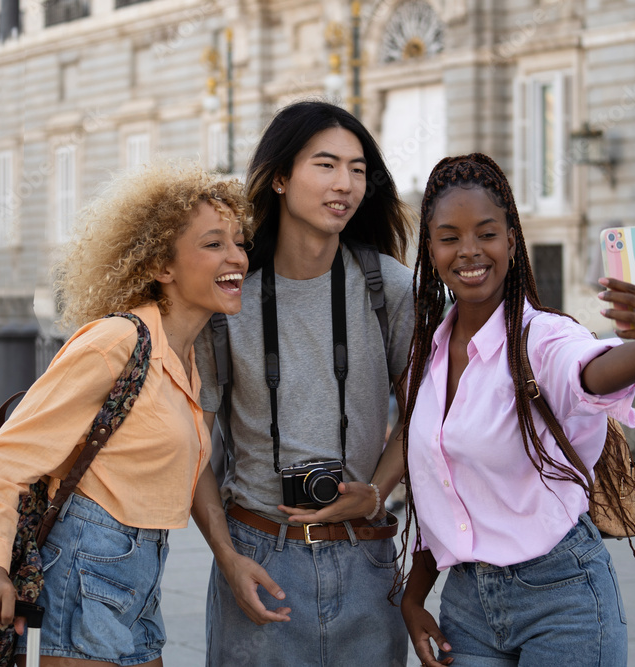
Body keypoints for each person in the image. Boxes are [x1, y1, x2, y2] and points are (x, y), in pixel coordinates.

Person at [0, 163, 251, 666]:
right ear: (163, 265)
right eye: (214, 244)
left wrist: (227, 555)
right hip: (81, 574)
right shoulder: (116, 342)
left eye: (240, 241)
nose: (237, 258)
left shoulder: (183, 356)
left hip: (136, 578)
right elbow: (1, 461)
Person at [398, 153, 635, 666]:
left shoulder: (544, 337)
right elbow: (441, 489)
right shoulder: (429, 353)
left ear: (510, 239)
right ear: (431, 248)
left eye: (486, 233)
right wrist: (415, 596)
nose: (469, 252)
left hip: (561, 597)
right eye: (449, 237)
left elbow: (590, 371)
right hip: (466, 601)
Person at [192, 101, 415, 666]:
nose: (345, 183)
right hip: (258, 557)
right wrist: (226, 556)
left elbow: (427, 410)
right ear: (282, 178)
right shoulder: (227, 297)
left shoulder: (387, 286)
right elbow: (191, 440)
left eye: (358, 169)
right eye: (326, 165)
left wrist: (376, 492)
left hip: (366, 554)